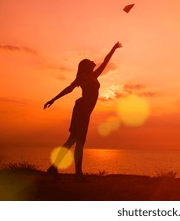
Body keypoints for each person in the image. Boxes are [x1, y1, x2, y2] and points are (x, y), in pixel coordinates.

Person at [44, 42, 122, 180]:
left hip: (85, 112)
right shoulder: (83, 77)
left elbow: (106, 60)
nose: (93, 61)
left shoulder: (94, 76)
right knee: (77, 141)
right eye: (90, 61)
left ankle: (55, 168)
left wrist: (114, 49)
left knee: (74, 141)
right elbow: (68, 89)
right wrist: (53, 99)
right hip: (81, 110)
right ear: (86, 66)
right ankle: (76, 173)